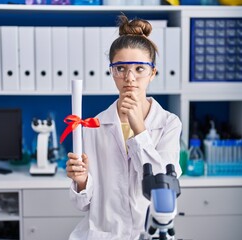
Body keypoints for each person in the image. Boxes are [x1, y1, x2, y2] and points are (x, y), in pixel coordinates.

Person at [65, 14, 182, 240]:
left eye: (139, 68)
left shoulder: (169, 124)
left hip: (148, 234)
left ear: (152, 73)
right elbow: (82, 204)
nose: (130, 77)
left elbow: (163, 188)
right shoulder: (92, 127)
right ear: (112, 71)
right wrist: (81, 181)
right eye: (121, 68)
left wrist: (139, 128)